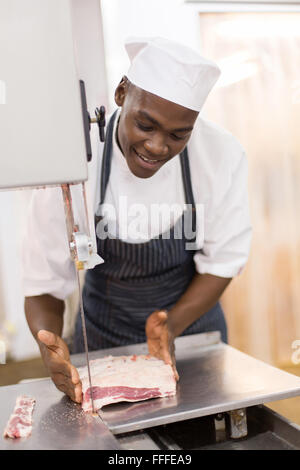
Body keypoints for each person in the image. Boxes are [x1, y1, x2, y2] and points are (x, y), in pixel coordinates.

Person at [23, 37, 252, 404]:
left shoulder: (219, 154)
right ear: (121, 93)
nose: (158, 147)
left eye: (179, 135)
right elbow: (43, 283)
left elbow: (224, 261)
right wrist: (49, 344)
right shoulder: (75, 159)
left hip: (189, 335)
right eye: (146, 125)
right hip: (100, 340)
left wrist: (171, 326)